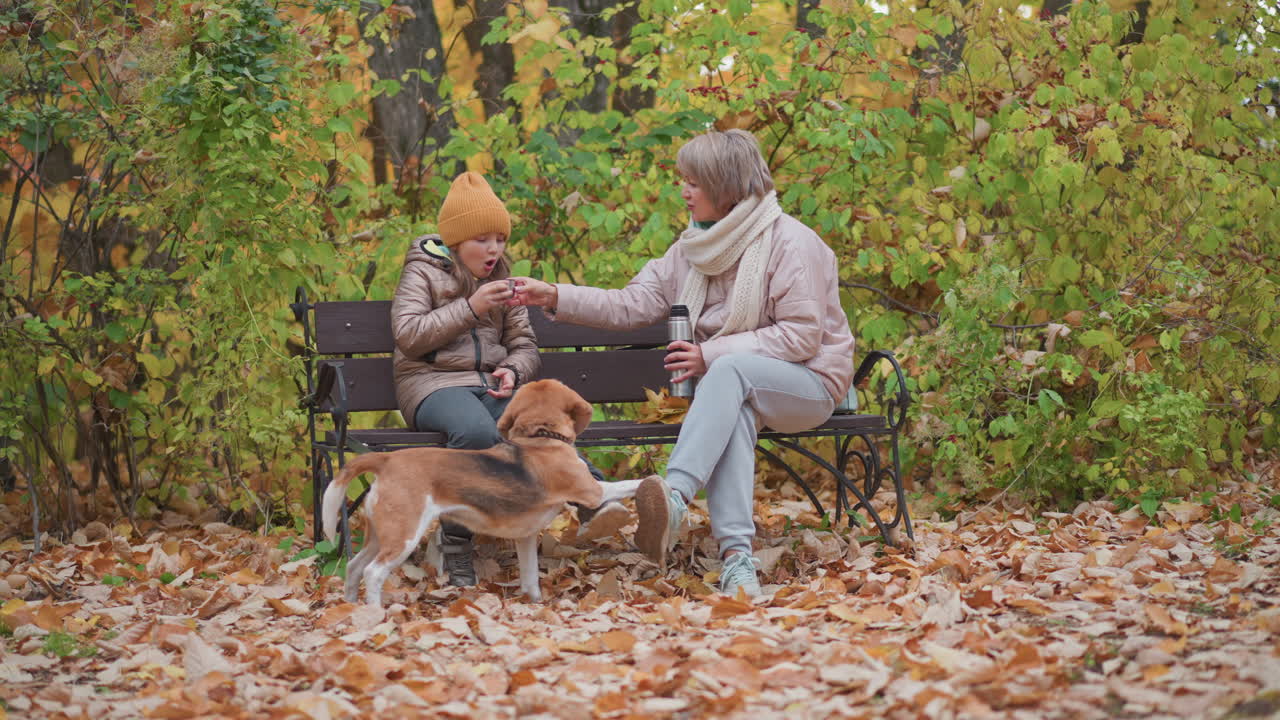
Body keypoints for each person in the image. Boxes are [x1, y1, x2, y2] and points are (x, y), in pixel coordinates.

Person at [510, 129, 855, 597]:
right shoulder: (693, 249)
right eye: (682, 180)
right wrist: (555, 294)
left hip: (810, 384)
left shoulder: (792, 243)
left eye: (693, 181)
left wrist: (709, 354)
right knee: (734, 408)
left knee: (728, 372)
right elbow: (631, 304)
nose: (683, 191)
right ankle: (738, 560)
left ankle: (674, 495)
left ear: (726, 185)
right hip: (738, 390)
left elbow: (801, 335)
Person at [391, 172, 626, 587]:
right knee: (475, 433)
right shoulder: (423, 271)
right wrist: (471, 307)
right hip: (431, 384)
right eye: (483, 239)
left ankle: (592, 498)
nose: (494, 249)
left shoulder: (503, 274)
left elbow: (524, 343)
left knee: (540, 429)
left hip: (489, 386)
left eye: (499, 238)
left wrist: (513, 370)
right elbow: (409, 336)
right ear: (456, 239)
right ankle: (455, 545)